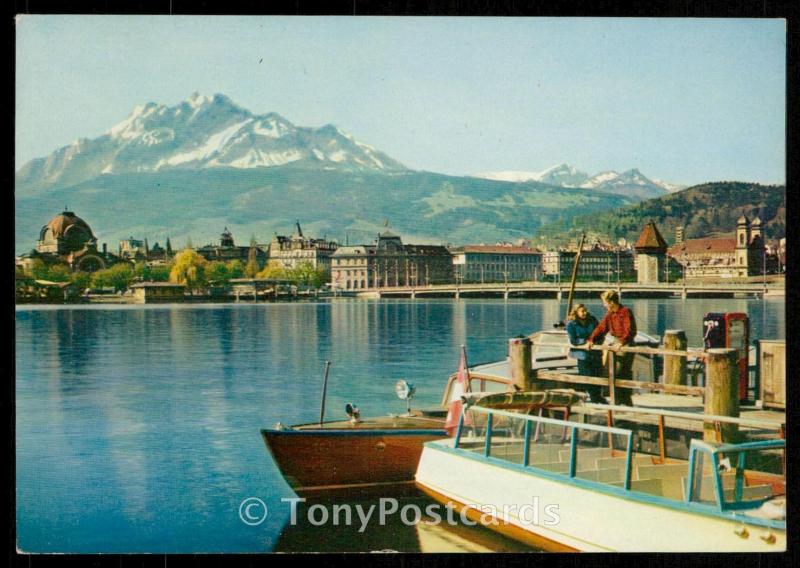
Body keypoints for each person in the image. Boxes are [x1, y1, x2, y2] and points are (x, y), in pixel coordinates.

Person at [587, 290, 637, 406]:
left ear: (611, 302)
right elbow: (601, 328)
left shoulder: (625, 312)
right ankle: (621, 402)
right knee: (610, 373)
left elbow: (630, 330)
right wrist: (591, 339)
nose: (603, 305)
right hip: (615, 342)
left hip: (626, 343)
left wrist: (622, 342)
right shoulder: (610, 314)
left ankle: (622, 402)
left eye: (604, 302)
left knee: (619, 373)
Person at [566, 304, 604, 403]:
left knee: (597, 375)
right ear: (576, 312)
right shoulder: (571, 324)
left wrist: (596, 342)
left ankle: (597, 397)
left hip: (595, 352)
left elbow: (600, 333)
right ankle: (595, 398)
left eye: (585, 310)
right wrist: (585, 342)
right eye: (582, 311)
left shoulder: (592, 320)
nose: (585, 313)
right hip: (582, 354)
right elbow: (573, 340)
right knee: (586, 375)